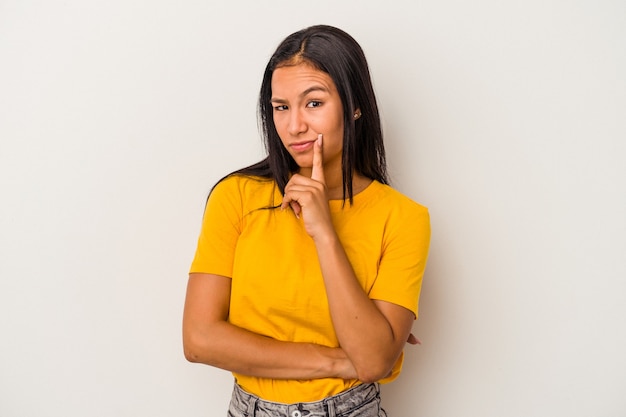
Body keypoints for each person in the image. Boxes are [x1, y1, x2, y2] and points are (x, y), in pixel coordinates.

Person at [183, 24, 431, 417]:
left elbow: (370, 362)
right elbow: (199, 339)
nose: (294, 125)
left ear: (354, 105)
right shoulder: (237, 196)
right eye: (281, 107)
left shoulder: (403, 218)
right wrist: (337, 360)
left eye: (313, 103)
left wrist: (325, 233)